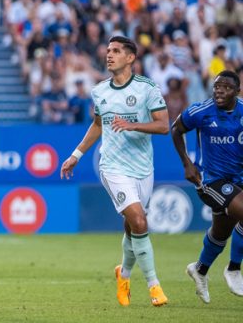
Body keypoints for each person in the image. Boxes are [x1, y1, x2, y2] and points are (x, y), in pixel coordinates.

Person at [61, 36, 170, 307]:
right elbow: (98, 125)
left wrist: (133, 126)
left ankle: (124, 273)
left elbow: (164, 125)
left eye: (117, 51)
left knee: (133, 226)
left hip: (143, 168)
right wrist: (76, 154)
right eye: (108, 50)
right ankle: (154, 286)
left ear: (130, 58)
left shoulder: (147, 88)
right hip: (112, 167)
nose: (109, 55)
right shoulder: (100, 91)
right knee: (140, 221)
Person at [170, 70, 243, 302]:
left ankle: (199, 270)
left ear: (237, 91)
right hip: (210, 180)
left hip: (238, 179)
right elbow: (176, 129)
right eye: (216, 86)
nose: (219, 91)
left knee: (220, 232)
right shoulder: (200, 111)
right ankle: (233, 269)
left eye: (226, 87)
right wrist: (187, 163)